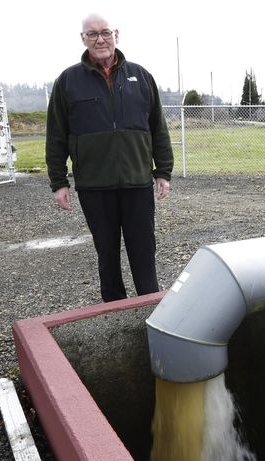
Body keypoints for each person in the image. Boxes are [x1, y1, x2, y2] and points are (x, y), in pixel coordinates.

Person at [46, 13, 173, 302]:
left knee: (143, 250)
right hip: (95, 186)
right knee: (107, 253)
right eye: (92, 34)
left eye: (105, 32)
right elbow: (56, 136)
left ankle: (150, 305)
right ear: (83, 39)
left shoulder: (140, 77)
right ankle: (114, 310)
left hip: (137, 183)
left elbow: (157, 127)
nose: (100, 39)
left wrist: (163, 171)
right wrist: (59, 182)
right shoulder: (68, 82)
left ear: (117, 34)